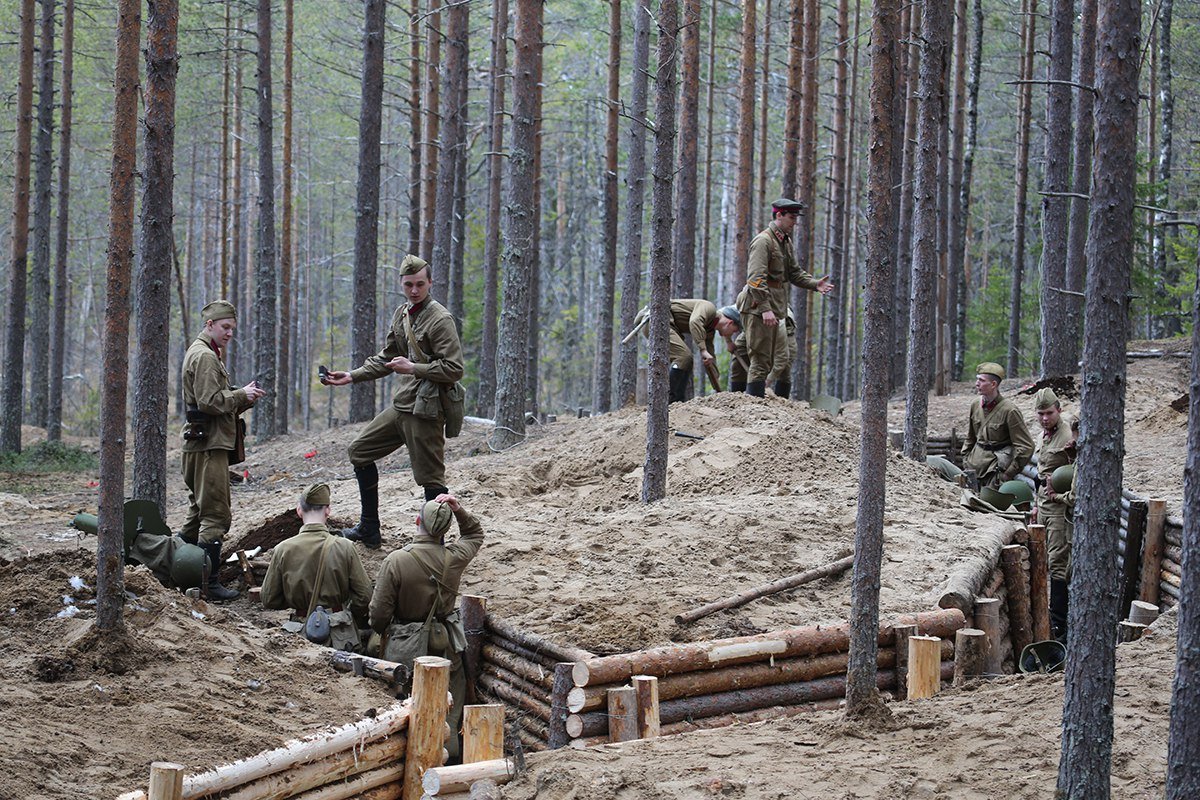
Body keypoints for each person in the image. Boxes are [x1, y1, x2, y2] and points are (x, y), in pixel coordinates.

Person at [324, 255, 465, 550]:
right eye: (408, 285)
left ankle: (433, 544)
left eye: (420, 284)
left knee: (431, 480)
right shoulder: (403, 313)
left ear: (430, 283)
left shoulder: (440, 319)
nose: (414, 290)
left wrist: (414, 368)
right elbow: (387, 358)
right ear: (401, 284)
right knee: (359, 452)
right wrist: (350, 376)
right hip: (402, 405)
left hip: (427, 410)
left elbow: (454, 369)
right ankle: (369, 528)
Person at [370, 493, 484, 762]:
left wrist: (382, 630)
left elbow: (378, 614)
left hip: (404, 646)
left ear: (417, 520)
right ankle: (450, 761)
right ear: (445, 530)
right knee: (449, 710)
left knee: (406, 707)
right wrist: (459, 510)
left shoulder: (396, 560)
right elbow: (475, 535)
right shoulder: (454, 557)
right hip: (446, 644)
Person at [180, 300, 267, 600]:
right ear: (209, 325)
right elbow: (209, 402)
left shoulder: (206, 353)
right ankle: (208, 584)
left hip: (204, 443)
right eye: (224, 327)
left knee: (198, 513)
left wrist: (244, 397)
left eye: (232, 328)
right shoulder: (204, 356)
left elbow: (214, 399)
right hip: (208, 446)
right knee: (215, 515)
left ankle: (177, 568)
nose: (229, 333)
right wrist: (240, 394)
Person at [735, 198, 833, 398]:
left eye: (796, 217)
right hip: (757, 306)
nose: (794, 222)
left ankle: (760, 405)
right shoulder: (764, 241)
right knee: (760, 359)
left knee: (776, 358)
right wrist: (765, 308)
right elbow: (755, 279)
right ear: (778, 215)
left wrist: (815, 284)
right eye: (791, 217)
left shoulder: (784, 241)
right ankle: (753, 407)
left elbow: (794, 273)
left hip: (774, 305)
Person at [261, 483, 373, 650]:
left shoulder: (282, 549)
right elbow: (364, 595)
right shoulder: (345, 546)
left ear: (299, 510)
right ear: (328, 510)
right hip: (340, 634)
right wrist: (344, 612)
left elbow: (269, 598)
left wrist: (297, 602)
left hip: (300, 633)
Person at [635, 300, 740, 402]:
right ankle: (665, 400)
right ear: (730, 322)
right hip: (656, 322)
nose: (732, 334)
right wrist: (702, 349)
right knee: (684, 357)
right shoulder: (709, 308)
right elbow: (695, 322)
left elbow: (710, 359)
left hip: (665, 325)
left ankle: (677, 400)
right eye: (735, 330)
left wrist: (717, 388)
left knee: (686, 361)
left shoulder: (709, 329)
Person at [960, 362, 1034, 491]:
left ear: (993, 384)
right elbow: (971, 436)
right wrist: (965, 458)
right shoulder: (975, 405)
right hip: (973, 466)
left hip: (994, 470)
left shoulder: (1009, 410)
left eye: (981, 380)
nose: (977, 384)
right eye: (977, 379)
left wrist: (1008, 473)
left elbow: (1026, 446)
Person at [1043, 416, 1079, 642]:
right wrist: (1072, 457)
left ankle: (1062, 627)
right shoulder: (1080, 456)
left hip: (1075, 526)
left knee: (1067, 570)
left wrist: (1056, 496)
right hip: (1069, 521)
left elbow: (1076, 495)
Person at [729, 307, 795, 395]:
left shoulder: (778, 326)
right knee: (741, 351)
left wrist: (768, 380)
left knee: (784, 369)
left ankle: (781, 402)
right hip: (754, 322)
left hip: (784, 329)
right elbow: (724, 321)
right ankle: (737, 396)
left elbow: (782, 357)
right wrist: (728, 341)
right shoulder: (745, 312)